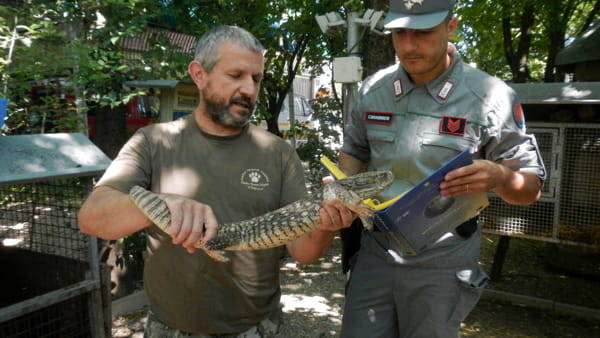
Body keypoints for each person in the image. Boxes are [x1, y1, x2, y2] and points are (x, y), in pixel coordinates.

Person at [78, 25, 353, 337]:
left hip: (258, 329)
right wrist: (159, 204)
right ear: (199, 75)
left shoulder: (278, 152)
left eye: (256, 78)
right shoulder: (153, 142)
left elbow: (303, 253)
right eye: (235, 75)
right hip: (169, 328)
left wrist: (325, 227)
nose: (249, 89)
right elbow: (91, 219)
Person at [336, 1, 547, 337]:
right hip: (376, 251)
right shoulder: (374, 90)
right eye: (399, 32)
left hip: (443, 261)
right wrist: (343, 189)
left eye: (422, 33)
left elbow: (531, 186)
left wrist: (502, 176)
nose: (408, 46)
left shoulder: (489, 96)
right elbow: (353, 153)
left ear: (451, 26)